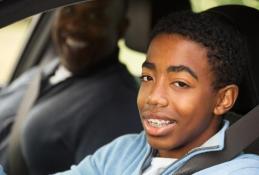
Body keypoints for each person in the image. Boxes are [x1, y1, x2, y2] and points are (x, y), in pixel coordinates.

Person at [54, 9, 259, 175]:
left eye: (180, 83)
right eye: (147, 78)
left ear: (223, 99)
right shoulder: (124, 150)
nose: (153, 97)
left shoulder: (243, 170)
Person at [0, 0, 142, 174]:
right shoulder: (42, 72)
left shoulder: (117, 106)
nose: (75, 25)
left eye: (94, 16)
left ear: (120, 28)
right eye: (68, 11)